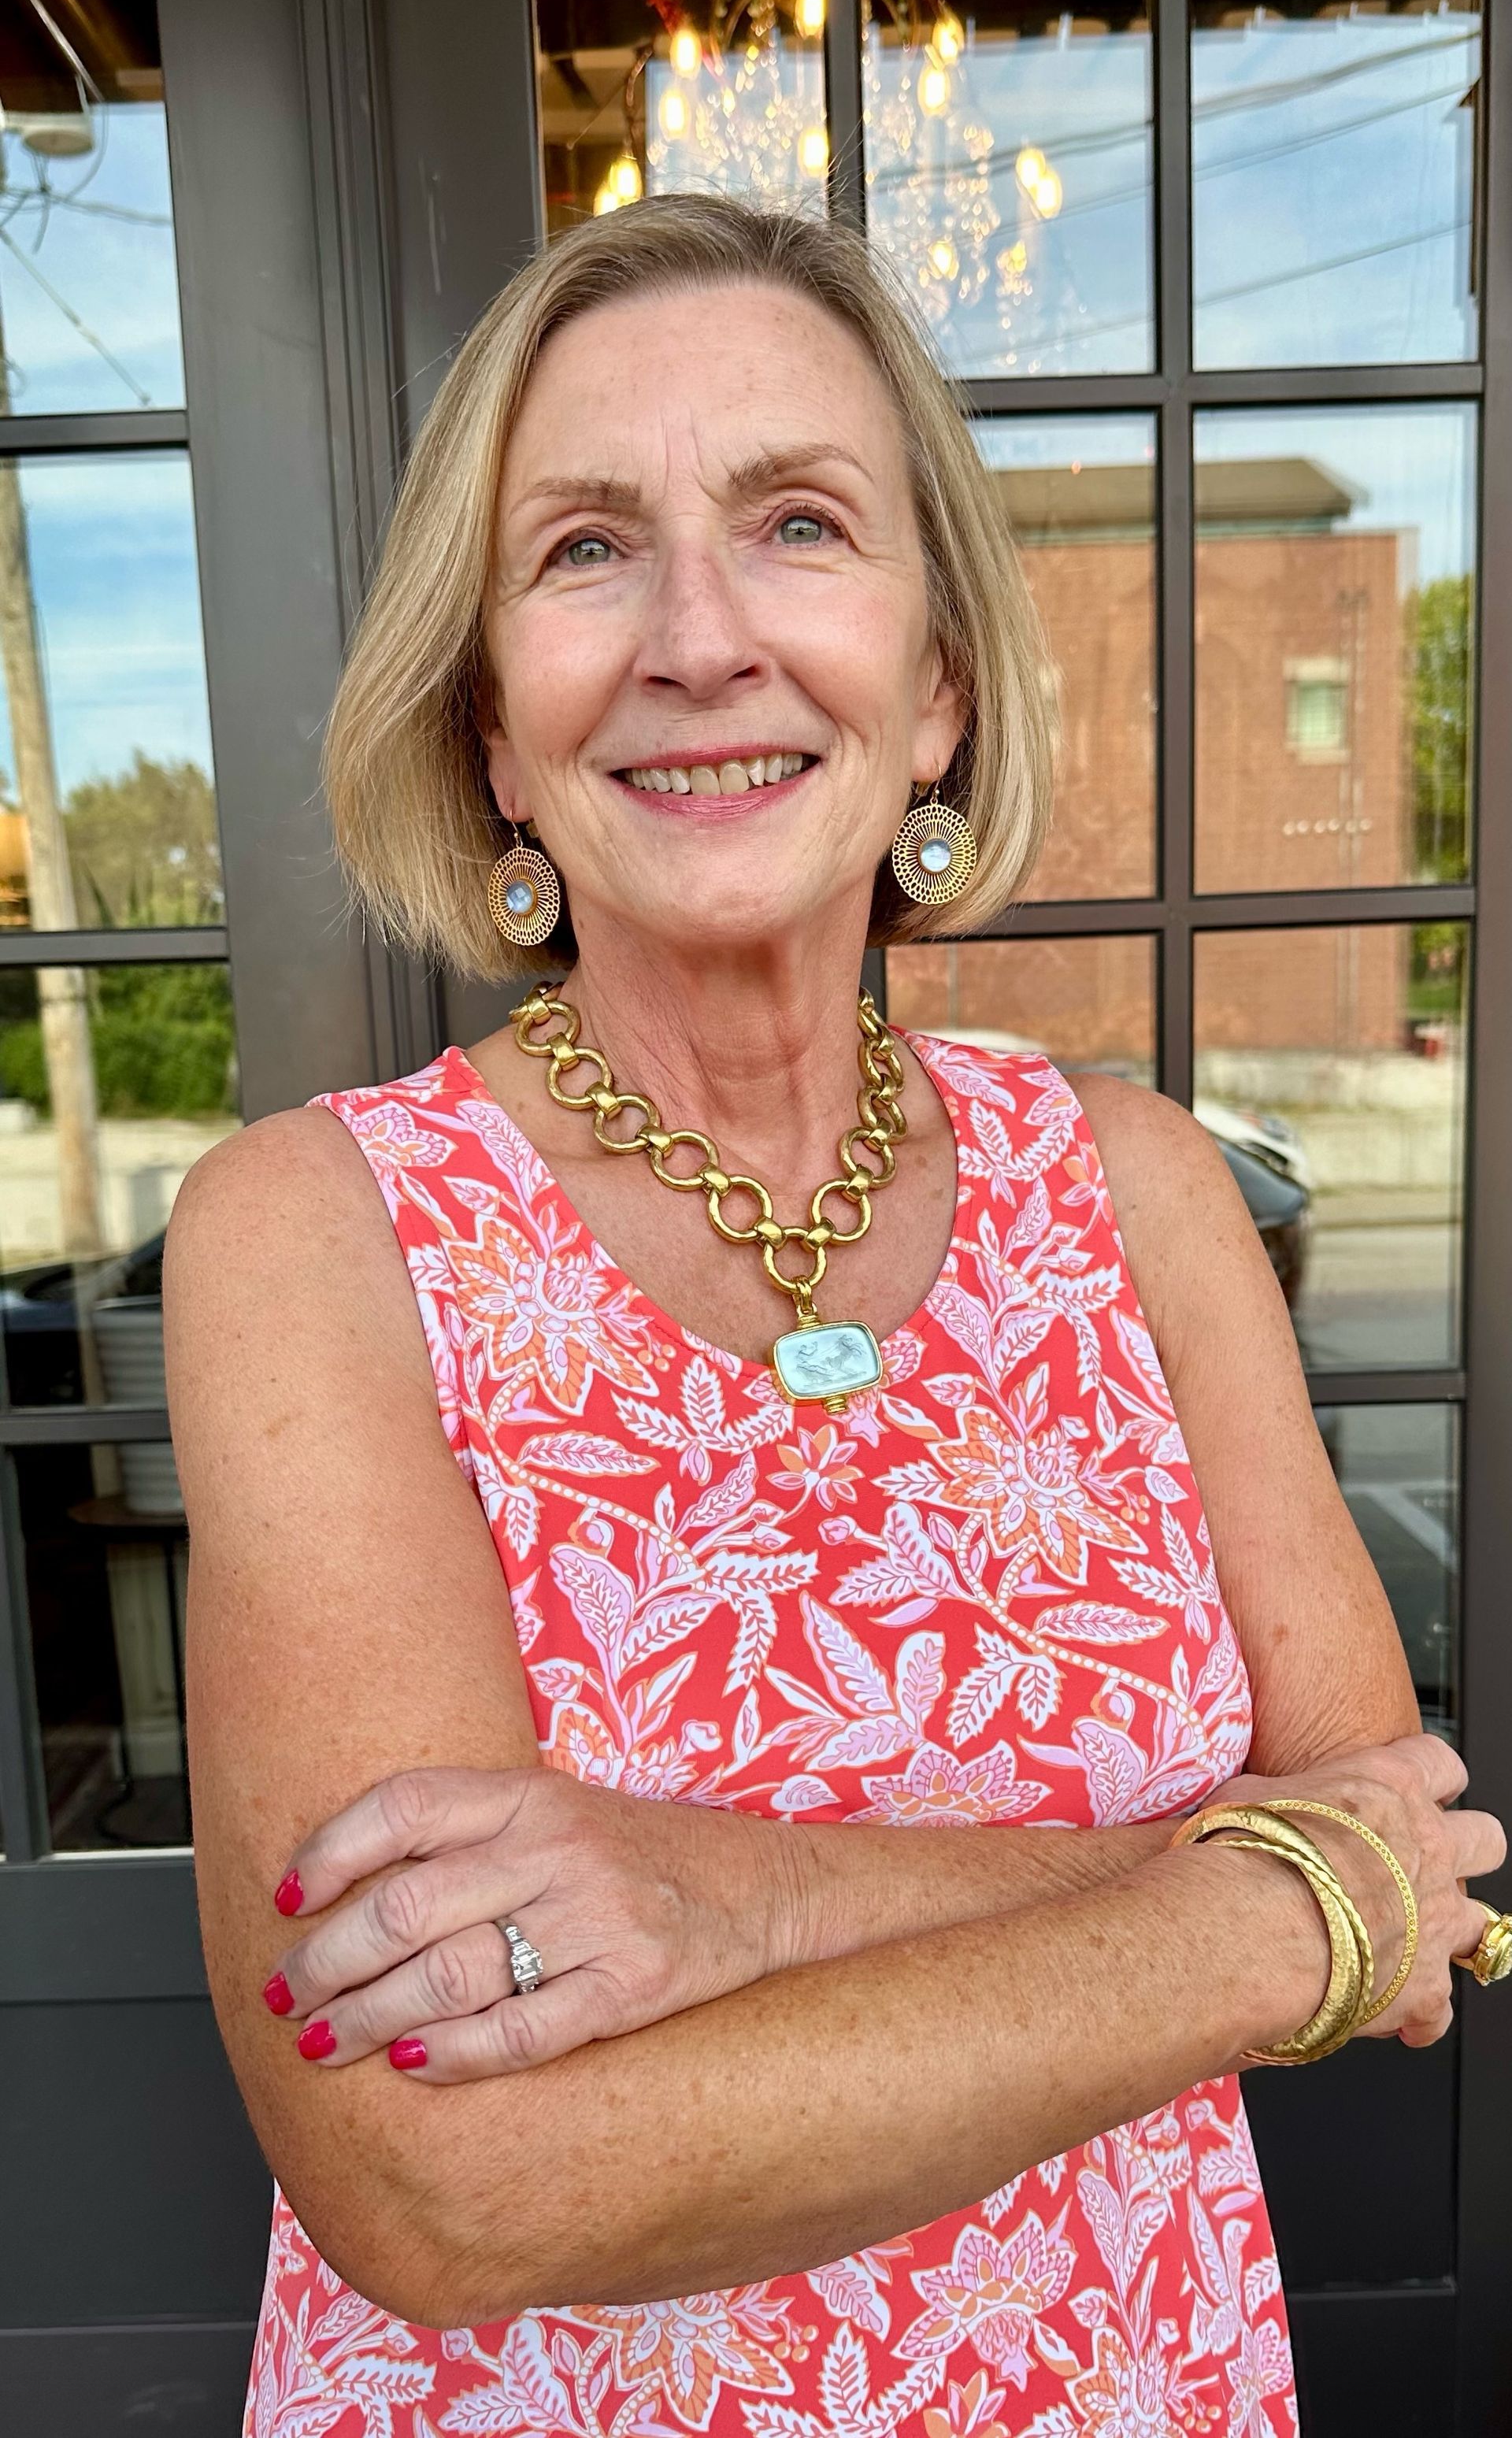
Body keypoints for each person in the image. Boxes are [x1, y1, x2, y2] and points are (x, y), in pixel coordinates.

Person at [165, 196, 1507, 2438]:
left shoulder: (1137, 1190)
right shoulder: (319, 1238)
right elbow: (444, 2177)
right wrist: (1246, 1908)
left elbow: (1406, 1894)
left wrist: (747, 1899)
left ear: (941, 681)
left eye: (799, 524)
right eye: (587, 549)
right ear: (492, 727)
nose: (701, 639)